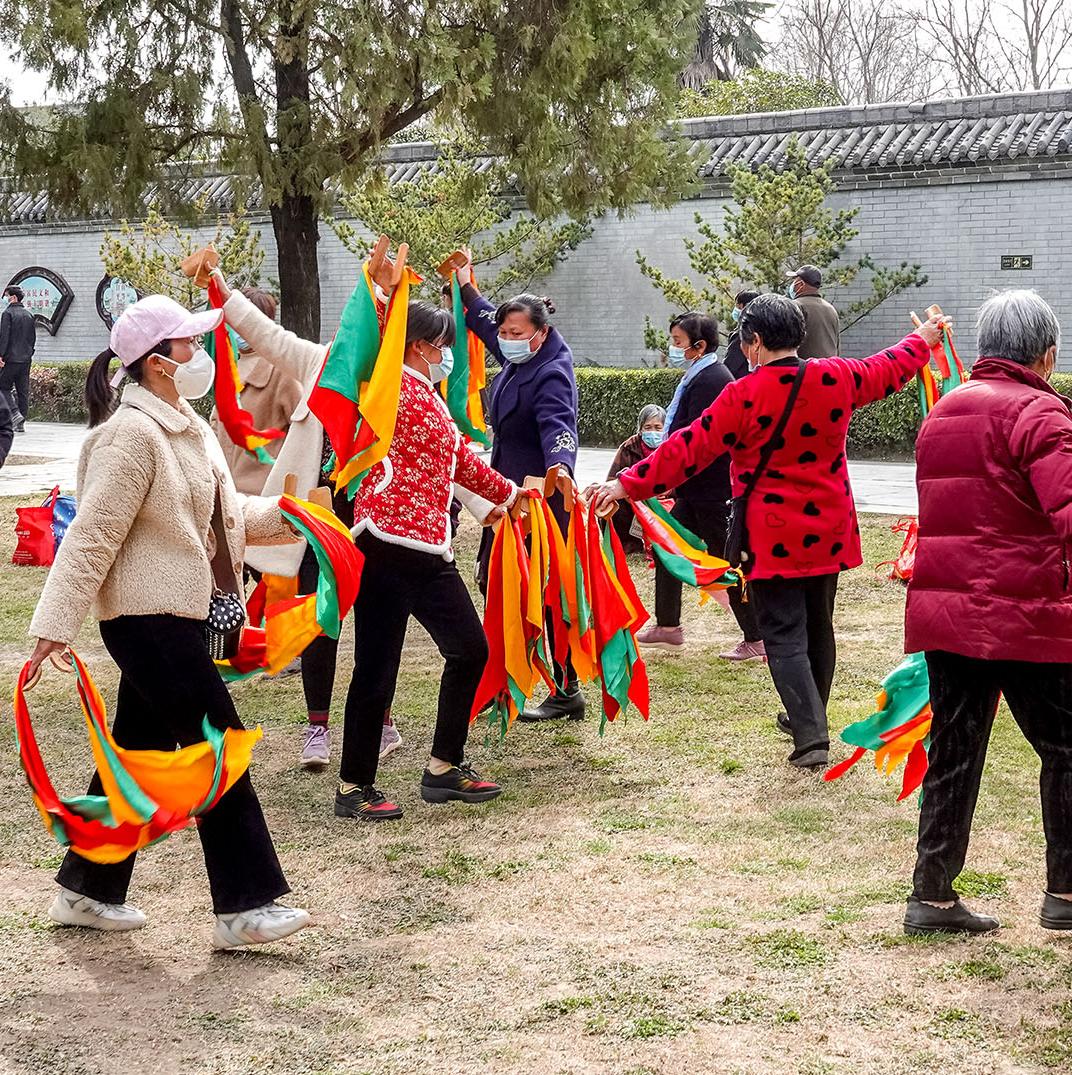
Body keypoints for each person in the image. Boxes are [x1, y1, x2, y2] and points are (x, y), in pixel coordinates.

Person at [25, 294, 310, 949]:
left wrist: (292, 515)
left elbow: (223, 510)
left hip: (178, 616)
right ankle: (245, 907)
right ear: (158, 362)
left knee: (139, 756)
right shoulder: (129, 434)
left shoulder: (187, 422)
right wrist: (53, 626)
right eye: (190, 344)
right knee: (220, 745)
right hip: (146, 621)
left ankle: (85, 888)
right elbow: (91, 533)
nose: (202, 355)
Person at [590, 294, 942, 770]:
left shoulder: (742, 395)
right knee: (819, 626)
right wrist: (923, 339)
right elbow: (888, 367)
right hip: (829, 527)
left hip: (771, 533)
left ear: (754, 343)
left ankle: (810, 733)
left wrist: (626, 482)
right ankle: (808, 715)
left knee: (782, 633)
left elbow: (687, 449)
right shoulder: (835, 376)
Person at [903, 289, 1072, 936]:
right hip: (1026, 614)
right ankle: (1065, 891)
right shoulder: (1042, 413)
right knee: (1065, 748)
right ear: (1047, 354)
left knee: (953, 749)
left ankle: (933, 893)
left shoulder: (944, 409)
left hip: (948, 612)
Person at [335, 301, 518, 821]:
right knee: (391, 663)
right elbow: (459, 456)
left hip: (415, 544)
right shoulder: (388, 385)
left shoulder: (424, 393)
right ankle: (361, 784)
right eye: (443, 345)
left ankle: (436, 767)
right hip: (394, 543)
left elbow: (456, 459)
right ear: (419, 345)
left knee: (455, 652)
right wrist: (386, 291)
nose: (449, 355)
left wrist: (504, 499)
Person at [214, 272, 402, 769]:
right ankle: (317, 727)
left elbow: (444, 449)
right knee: (319, 620)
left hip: (380, 518)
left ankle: (381, 719)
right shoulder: (319, 363)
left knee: (380, 624)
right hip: (320, 516)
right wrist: (220, 287)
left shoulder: (399, 384)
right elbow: (264, 333)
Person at [457, 259, 582, 722]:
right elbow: (489, 322)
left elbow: (558, 426)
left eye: (516, 332)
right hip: (505, 499)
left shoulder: (551, 371)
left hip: (540, 500)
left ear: (540, 334)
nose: (505, 338)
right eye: (505, 331)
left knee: (545, 594)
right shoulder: (519, 350)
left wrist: (560, 468)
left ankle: (565, 686)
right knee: (496, 583)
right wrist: (467, 286)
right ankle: (506, 677)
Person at [635, 312, 764, 661]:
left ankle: (756, 636)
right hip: (696, 489)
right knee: (668, 547)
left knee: (726, 562)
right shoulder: (700, 375)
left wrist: (661, 473)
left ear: (699, 345)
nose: (673, 348)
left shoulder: (711, 380)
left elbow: (695, 439)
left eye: (677, 342)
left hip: (713, 490)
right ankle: (668, 625)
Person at [210, 287, 303, 496]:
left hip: (266, 497)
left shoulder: (282, 371)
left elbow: (304, 431)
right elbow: (216, 427)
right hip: (226, 497)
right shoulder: (228, 368)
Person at [607, 404, 665, 553]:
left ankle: (663, 547)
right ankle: (629, 544)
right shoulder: (628, 447)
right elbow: (612, 480)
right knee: (613, 503)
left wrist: (668, 492)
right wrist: (627, 492)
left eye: (658, 428)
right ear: (640, 428)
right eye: (648, 427)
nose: (653, 432)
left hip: (664, 500)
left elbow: (684, 479)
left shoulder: (671, 446)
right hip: (633, 500)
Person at [0, 285, 37, 431]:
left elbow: (4, 337)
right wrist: (29, 354)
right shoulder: (29, 315)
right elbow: (32, 339)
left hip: (11, 359)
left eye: (7, 295)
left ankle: (14, 413)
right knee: (23, 391)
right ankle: (20, 422)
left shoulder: (7, 314)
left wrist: (1, 355)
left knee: (3, 387)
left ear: (13, 297)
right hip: (26, 359)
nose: (5, 299)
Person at [787, 265, 839, 361]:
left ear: (801, 284)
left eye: (794, 281)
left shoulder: (795, 306)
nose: (793, 284)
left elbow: (786, 346)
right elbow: (837, 345)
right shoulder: (831, 309)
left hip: (805, 371)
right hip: (830, 369)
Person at [723, 290, 761, 380]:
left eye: (737, 305)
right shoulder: (763, 329)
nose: (735, 309)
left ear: (744, 306)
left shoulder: (741, 334)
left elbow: (729, 366)